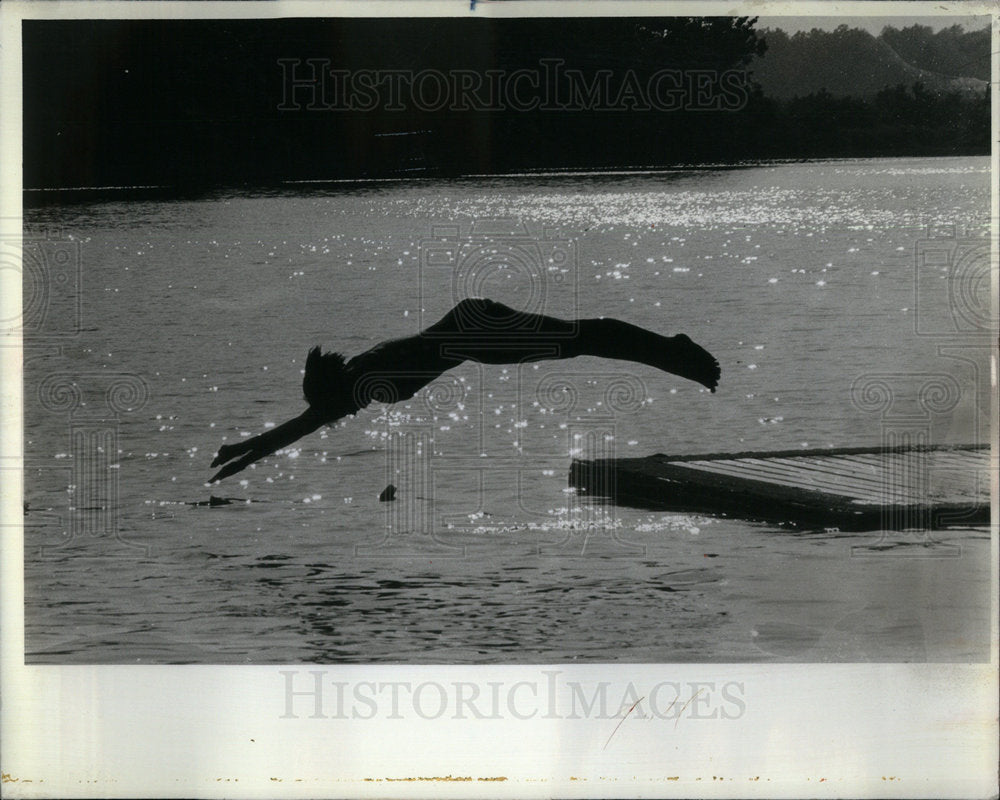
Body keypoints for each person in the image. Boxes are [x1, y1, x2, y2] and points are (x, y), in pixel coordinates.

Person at [209, 298, 719, 482]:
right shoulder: (356, 381)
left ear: (330, 392)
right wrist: (237, 453)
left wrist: (242, 458)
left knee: (581, 338)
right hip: (473, 330)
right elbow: (295, 428)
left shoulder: (359, 385)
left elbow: (295, 431)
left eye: (318, 405)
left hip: (475, 334)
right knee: (580, 339)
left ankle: (674, 350)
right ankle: (672, 353)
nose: (321, 415)